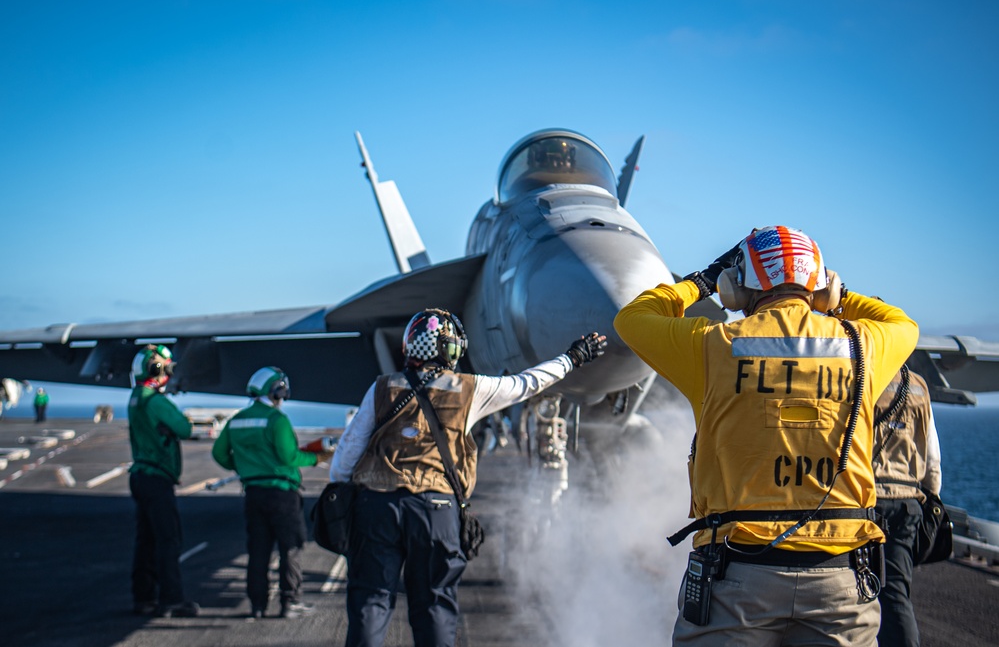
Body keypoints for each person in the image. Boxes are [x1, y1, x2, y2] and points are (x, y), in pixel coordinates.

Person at [614, 225, 919, 646]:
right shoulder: (862, 346)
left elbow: (631, 318)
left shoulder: (711, 345)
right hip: (841, 582)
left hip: (736, 578)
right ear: (820, 286)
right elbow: (902, 323)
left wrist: (699, 284)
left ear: (737, 288)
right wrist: (841, 297)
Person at [331, 308, 606, 647]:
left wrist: (342, 495)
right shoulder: (470, 389)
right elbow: (528, 383)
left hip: (377, 508)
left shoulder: (382, 388)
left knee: (370, 601)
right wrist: (572, 358)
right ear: (451, 349)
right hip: (435, 510)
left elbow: (347, 454)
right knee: (434, 603)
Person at [211, 367, 333, 620]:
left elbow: (219, 454)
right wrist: (317, 457)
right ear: (277, 390)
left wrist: (245, 467)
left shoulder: (237, 420)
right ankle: (290, 602)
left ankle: (258, 605)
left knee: (258, 550)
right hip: (282, 495)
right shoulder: (277, 420)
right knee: (290, 548)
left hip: (254, 493)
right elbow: (289, 456)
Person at [127, 344, 200, 618]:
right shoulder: (156, 401)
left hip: (140, 475)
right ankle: (171, 600)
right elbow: (184, 428)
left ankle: (143, 597)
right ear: (158, 370)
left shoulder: (136, 397)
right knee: (168, 540)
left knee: (145, 540)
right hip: (157, 477)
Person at [873, 367, 942, 647]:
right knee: (896, 594)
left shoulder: (861, 374)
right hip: (908, 504)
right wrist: (932, 502)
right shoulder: (919, 386)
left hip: (867, 500)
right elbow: (932, 459)